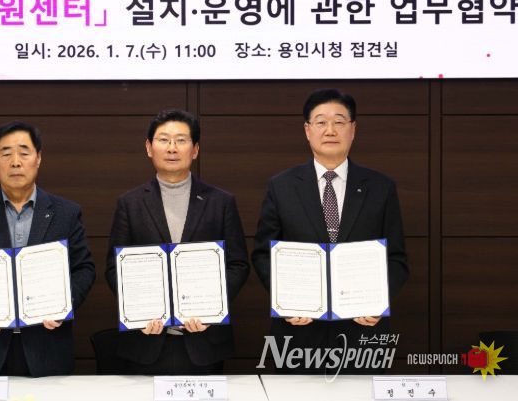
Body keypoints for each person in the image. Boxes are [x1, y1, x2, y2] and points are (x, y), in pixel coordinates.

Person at [252, 89, 409, 374]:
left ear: (353, 130)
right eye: (321, 122)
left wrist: (378, 302)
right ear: (307, 130)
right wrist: (285, 302)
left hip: (363, 333)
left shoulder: (381, 187)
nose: (330, 130)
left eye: (339, 121)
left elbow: (396, 259)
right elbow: (263, 254)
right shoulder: (281, 186)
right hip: (298, 333)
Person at [105, 109, 250, 375]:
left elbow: (238, 265)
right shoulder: (130, 203)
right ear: (149, 147)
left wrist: (212, 309)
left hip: (204, 340)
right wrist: (138, 310)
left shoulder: (221, 202)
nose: (172, 148)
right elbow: (115, 269)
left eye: (181, 140)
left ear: (195, 150)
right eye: (164, 140)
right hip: (146, 340)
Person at [0, 121, 95, 377]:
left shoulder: (66, 213)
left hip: (47, 347)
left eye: (24, 153)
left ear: (38, 158)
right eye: (6, 154)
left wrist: (63, 305)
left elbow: (84, 269)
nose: (15, 162)